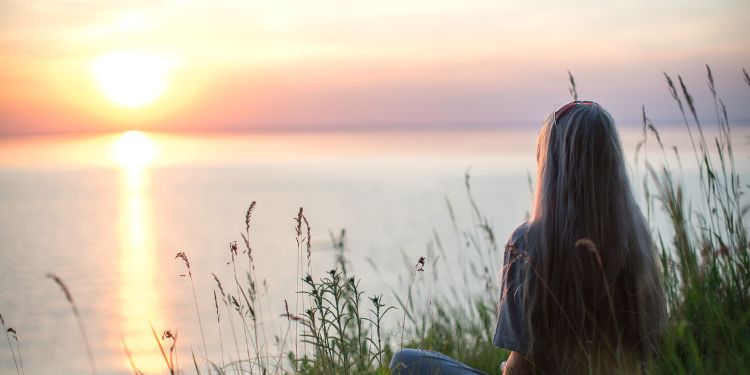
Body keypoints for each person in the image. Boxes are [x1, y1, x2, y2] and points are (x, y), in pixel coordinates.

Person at [390, 101, 666, 374]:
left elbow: (521, 368)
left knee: (406, 361)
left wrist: (504, 369)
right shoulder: (637, 243)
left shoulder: (530, 244)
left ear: (552, 167)